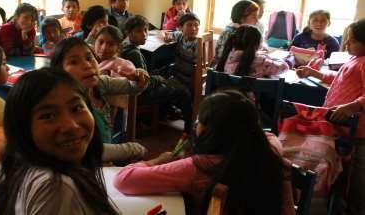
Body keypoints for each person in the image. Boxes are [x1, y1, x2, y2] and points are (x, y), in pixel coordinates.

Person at [113, 90, 294, 215]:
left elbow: (124, 180)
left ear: (211, 130)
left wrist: (157, 161)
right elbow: (267, 134)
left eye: (200, 120)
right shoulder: (271, 151)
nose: (196, 124)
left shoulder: (199, 167)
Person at [0, 68, 119, 214]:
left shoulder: (21, 163)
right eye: (48, 116)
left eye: (76, 108)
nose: (70, 125)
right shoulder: (57, 188)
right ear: (22, 128)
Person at [296, 19, 365, 214]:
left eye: (352, 41)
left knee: (357, 174)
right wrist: (314, 73)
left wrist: (354, 105)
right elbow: (340, 78)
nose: (346, 44)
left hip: (357, 130)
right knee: (342, 167)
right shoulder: (355, 59)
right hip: (339, 126)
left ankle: (355, 207)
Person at [50, 37, 148, 162]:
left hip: (103, 159)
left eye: (89, 58)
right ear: (59, 72)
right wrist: (132, 149)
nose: (87, 65)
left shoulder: (100, 84)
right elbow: (90, 149)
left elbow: (133, 88)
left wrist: (138, 77)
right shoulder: (65, 104)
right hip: (83, 163)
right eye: (74, 62)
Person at [121, 15, 193, 133]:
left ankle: (166, 112)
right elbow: (145, 83)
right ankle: (189, 130)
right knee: (183, 90)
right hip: (139, 95)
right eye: (139, 31)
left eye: (145, 30)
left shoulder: (124, 44)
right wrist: (159, 78)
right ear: (129, 33)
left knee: (166, 72)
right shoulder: (134, 53)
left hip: (131, 88)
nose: (144, 34)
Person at [216, 25, 288, 77]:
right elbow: (284, 67)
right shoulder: (260, 61)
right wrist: (271, 58)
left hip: (223, 95)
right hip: (245, 97)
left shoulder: (227, 55)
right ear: (256, 45)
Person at [212, 0, 259, 67]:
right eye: (254, 17)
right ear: (242, 18)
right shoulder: (231, 32)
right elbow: (224, 57)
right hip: (222, 71)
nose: (257, 20)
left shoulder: (240, 30)